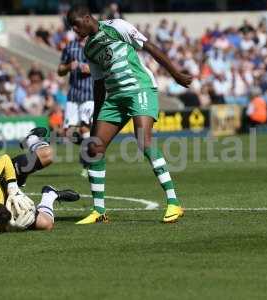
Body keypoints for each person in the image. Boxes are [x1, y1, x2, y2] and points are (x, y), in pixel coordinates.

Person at [66, 5, 192, 224]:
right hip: (114, 97)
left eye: (76, 26)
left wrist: (175, 74)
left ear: (87, 18)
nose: (75, 31)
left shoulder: (117, 27)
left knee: (143, 140)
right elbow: (98, 84)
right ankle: (99, 211)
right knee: (95, 147)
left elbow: (149, 47)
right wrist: (96, 121)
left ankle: (174, 203)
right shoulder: (89, 49)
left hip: (139, 89)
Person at [0, 153, 80, 234]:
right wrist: (13, 227)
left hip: (0, 179)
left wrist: (12, 186)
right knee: (46, 224)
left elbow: (4, 158)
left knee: (35, 158)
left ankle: (33, 140)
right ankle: (50, 194)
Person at [57, 36, 94, 178]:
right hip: (73, 95)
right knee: (67, 133)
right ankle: (89, 149)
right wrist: (67, 67)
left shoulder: (95, 45)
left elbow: (105, 67)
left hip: (89, 94)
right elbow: (60, 70)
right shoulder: (70, 47)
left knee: (85, 127)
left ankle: (87, 162)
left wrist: (91, 69)